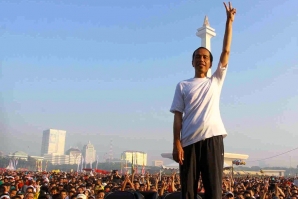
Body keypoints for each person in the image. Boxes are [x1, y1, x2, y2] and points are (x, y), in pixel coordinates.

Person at [170, 2, 236, 199]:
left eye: (205, 57)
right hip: (188, 142)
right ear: (192, 62)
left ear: (210, 63)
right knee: (188, 192)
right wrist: (176, 143)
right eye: (198, 57)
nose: (202, 59)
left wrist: (229, 22)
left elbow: (226, 52)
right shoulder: (182, 85)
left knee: (214, 191)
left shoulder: (215, 81)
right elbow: (178, 118)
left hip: (212, 140)